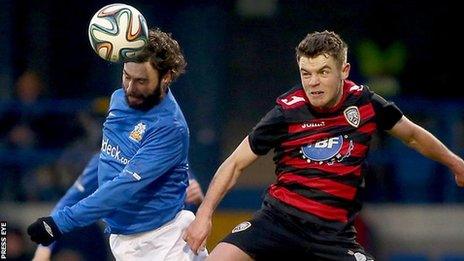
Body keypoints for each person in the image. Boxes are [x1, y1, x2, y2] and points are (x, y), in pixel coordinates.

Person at [184, 30, 464, 260]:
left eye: (323, 72)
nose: (313, 83)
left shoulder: (366, 103)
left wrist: (456, 163)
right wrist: (204, 217)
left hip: (333, 235)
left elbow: (413, 135)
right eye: (306, 73)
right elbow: (234, 164)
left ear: (344, 70)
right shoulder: (286, 112)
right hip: (278, 222)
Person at [27, 27, 208, 260]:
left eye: (141, 81)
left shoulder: (170, 126)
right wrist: (54, 225)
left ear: (166, 77)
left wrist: (61, 222)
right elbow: (107, 159)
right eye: (126, 76)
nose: (130, 89)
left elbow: (122, 187)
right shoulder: (118, 99)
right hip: (126, 242)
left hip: (165, 243)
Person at [31, 153, 205, 260]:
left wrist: (199, 201)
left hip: (181, 242)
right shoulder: (105, 161)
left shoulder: (170, 150)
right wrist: (44, 249)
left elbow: (194, 200)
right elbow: (68, 202)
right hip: (137, 247)